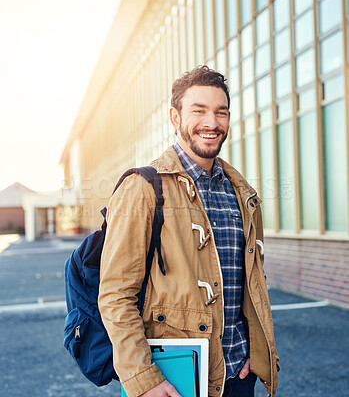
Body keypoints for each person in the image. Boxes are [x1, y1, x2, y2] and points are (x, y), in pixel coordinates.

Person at [98, 66, 279, 397]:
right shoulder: (143, 188)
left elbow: (252, 281)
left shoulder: (244, 193)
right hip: (175, 378)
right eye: (199, 111)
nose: (212, 123)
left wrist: (256, 354)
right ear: (175, 117)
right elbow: (115, 294)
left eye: (220, 112)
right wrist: (143, 378)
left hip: (239, 375)